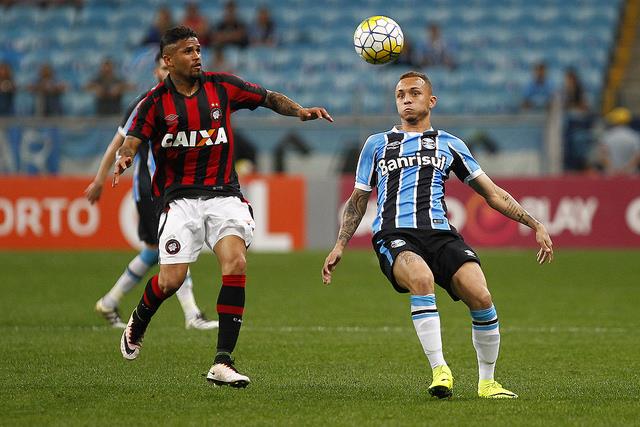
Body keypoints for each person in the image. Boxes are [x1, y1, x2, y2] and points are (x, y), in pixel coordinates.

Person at [113, 26, 332, 387]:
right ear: (168, 60)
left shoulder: (221, 86)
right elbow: (132, 141)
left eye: (198, 49)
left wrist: (300, 112)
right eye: (187, 51)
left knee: (236, 262)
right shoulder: (154, 103)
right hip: (179, 201)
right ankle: (139, 319)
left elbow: (268, 97)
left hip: (224, 194)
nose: (197, 56)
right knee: (171, 280)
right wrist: (123, 159)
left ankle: (223, 361)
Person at [322, 71, 553, 399]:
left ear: (431, 101)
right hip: (394, 233)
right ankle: (440, 370)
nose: (406, 99)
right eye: (400, 94)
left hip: (441, 235)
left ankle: (487, 382)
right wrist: (339, 244)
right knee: (421, 278)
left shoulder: (450, 144)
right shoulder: (376, 144)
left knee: (482, 297)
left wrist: (535, 224)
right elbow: (358, 200)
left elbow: (491, 193)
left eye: (414, 93)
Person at [85, 53, 218, 331]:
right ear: (160, 71)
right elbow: (116, 144)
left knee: (153, 251)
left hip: (172, 188)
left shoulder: (185, 102)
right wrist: (99, 180)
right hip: (151, 190)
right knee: (174, 247)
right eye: (161, 68)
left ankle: (109, 302)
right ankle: (192, 314)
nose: (165, 73)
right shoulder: (147, 103)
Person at [596, 107, 640, 174]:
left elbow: (602, 155)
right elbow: (637, 156)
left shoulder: (607, 136)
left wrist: (612, 169)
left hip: (611, 174)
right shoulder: (634, 136)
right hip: (631, 174)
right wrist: (626, 169)